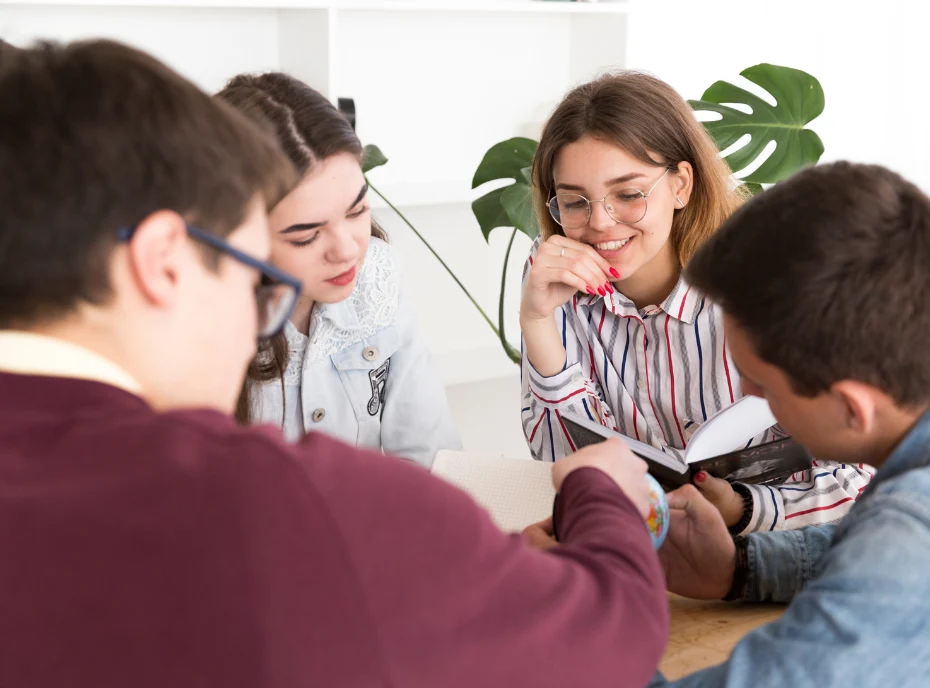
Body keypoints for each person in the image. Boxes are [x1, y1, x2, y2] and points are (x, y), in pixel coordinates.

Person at [0, 39, 669, 687]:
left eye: (356, 212)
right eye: (252, 277)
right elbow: (607, 633)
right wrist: (601, 495)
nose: (256, 311)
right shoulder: (272, 497)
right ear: (162, 261)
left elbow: (426, 464)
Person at [519, 71, 873, 532]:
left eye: (628, 194)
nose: (601, 223)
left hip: (779, 556)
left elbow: (859, 477)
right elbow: (563, 466)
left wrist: (741, 508)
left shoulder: (778, 278)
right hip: (641, 555)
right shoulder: (553, 275)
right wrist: (537, 321)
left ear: (681, 185)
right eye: (574, 202)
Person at [653, 161, 930, 686]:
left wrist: (567, 610)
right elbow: (863, 549)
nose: (747, 397)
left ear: (852, 407)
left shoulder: (911, 535)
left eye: (760, 385)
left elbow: (897, 551)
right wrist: (737, 567)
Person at [216, 72, 460, 468]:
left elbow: (429, 453)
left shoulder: (378, 277)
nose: (348, 250)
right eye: (306, 236)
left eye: (357, 210)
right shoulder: (202, 324)